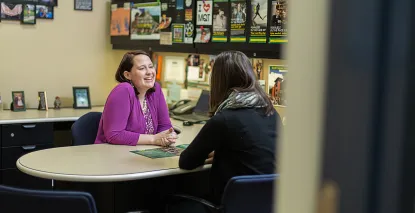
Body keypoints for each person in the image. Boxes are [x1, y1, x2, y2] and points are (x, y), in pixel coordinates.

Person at [177, 51, 281, 206]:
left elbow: (186, 161)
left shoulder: (224, 119)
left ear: (219, 81)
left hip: (231, 203)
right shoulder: (272, 113)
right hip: (269, 204)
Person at [94, 50, 178, 146]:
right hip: (112, 153)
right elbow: (114, 135)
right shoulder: (123, 90)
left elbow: (164, 126)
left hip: (141, 152)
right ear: (127, 75)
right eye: (142, 68)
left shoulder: (155, 89)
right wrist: (153, 139)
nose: (149, 72)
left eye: (151, 67)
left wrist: (167, 136)